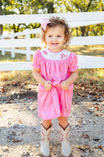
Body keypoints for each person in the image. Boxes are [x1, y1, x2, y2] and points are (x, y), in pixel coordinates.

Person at [32, 17, 78, 157]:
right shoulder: (41, 55)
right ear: (45, 37)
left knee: (63, 117)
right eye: (50, 35)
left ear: (65, 38)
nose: (54, 39)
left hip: (63, 91)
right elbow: (35, 72)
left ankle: (65, 140)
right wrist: (44, 82)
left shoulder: (69, 56)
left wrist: (68, 81)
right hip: (47, 90)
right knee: (46, 117)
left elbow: (75, 73)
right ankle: (44, 140)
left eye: (59, 35)